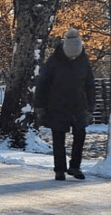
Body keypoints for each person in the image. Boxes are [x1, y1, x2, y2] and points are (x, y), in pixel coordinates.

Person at [33, 28, 96, 180]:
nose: (73, 57)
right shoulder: (55, 60)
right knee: (58, 136)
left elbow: (90, 85)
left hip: (79, 104)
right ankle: (59, 169)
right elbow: (43, 83)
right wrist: (40, 105)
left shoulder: (83, 60)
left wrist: (90, 107)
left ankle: (75, 166)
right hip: (57, 104)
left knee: (80, 134)